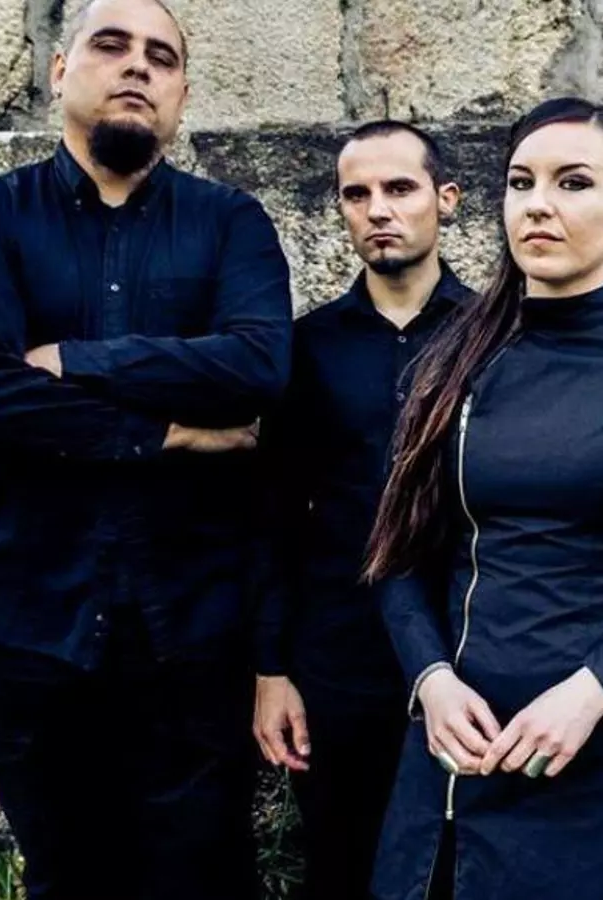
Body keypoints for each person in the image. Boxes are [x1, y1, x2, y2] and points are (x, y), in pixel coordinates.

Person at [0, 0, 292, 897]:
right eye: (111, 45)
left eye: (162, 56)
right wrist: (171, 430)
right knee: (69, 878)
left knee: (205, 878)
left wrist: (78, 361)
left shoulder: (230, 224)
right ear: (59, 71)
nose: (137, 67)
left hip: (193, 625)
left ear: (182, 92)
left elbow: (258, 365)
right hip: (25, 619)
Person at [364, 96, 603, 900]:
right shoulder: (451, 365)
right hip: (461, 764)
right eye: (521, 182)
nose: (538, 204)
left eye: (573, 182)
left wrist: (595, 689)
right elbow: (398, 560)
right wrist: (431, 681)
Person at [251, 120, 471, 900]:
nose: (378, 209)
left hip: (469, 655)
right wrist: (272, 670)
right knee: (343, 866)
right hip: (338, 659)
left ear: (446, 199)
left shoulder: (497, 335)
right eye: (357, 194)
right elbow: (273, 514)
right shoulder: (305, 348)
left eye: (400, 188)